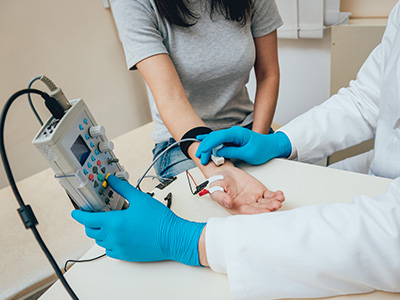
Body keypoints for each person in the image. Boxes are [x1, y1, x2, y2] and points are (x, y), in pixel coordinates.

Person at [72, 2, 400, 300]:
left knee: (274, 212)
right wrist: (266, 150)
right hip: (184, 143)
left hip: (245, 131)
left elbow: (386, 236)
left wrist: (185, 240)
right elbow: (369, 97)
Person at [108, 0, 286, 213]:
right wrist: (218, 171)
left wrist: (258, 140)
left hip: (246, 129)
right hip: (183, 142)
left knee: (287, 207)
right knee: (214, 223)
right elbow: (171, 98)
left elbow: (268, 73)